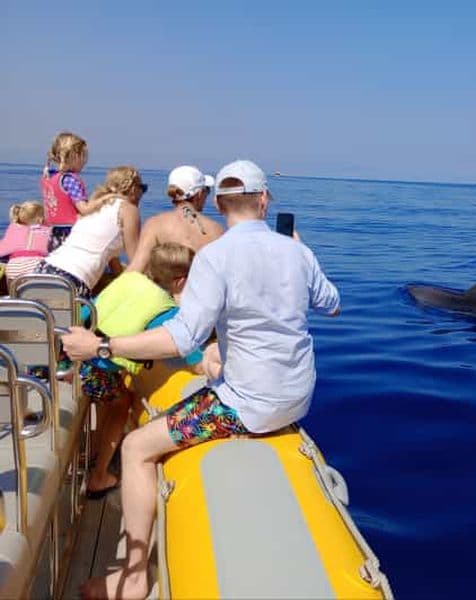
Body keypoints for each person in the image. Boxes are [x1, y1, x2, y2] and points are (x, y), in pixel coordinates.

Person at [62, 159, 340, 599]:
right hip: (299, 397)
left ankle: (132, 579)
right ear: (264, 199)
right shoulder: (297, 252)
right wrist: (299, 249)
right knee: (216, 360)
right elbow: (333, 304)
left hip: (248, 406)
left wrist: (101, 346)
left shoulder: (216, 257)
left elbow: (180, 336)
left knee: (136, 448)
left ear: (221, 202)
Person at [80, 242, 197, 498]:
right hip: (95, 367)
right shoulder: (165, 310)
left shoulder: (129, 280)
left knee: (112, 393)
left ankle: (89, 454)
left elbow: (87, 311)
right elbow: (190, 356)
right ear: (181, 280)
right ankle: (99, 477)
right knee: (122, 403)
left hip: (75, 358)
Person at [36, 165, 146, 298]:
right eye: (143, 189)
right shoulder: (128, 209)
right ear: (134, 189)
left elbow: (109, 252)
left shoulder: (95, 206)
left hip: (42, 270)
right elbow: (136, 261)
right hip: (71, 280)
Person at [125, 165, 223, 273]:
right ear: (199, 194)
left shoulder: (155, 224)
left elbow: (136, 270)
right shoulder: (216, 229)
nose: (207, 195)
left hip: (169, 289)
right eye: (207, 190)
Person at [40, 131, 91, 251]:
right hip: (72, 233)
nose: (84, 161)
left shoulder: (49, 178)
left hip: (53, 234)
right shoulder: (69, 180)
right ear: (72, 156)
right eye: (82, 156)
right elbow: (84, 209)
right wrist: (101, 202)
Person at [0, 200, 52, 282]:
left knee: (12, 285)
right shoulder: (47, 230)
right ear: (40, 219)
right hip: (36, 265)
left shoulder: (13, 229)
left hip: (14, 267)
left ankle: (12, 293)